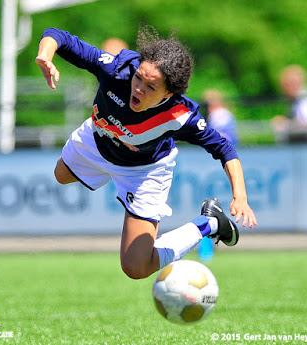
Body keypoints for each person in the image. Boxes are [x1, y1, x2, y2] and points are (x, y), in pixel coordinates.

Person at [36, 26, 258, 280]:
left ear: (169, 93)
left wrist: (240, 196)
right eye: (139, 77)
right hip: (98, 139)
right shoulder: (116, 70)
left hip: (144, 170)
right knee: (61, 175)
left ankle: (210, 223)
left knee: (136, 267)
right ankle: (108, 161)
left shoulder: (180, 116)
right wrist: (46, 55)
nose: (138, 88)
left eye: (151, 86)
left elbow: (225, 149)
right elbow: (59, 35)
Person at [198, 89, 239, 261]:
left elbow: (220, 141)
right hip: (222, 164)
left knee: (208, 205)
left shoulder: (219, 115)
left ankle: (208, 243)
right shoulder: (226, 115)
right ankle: (210, 240)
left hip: (217, 164)